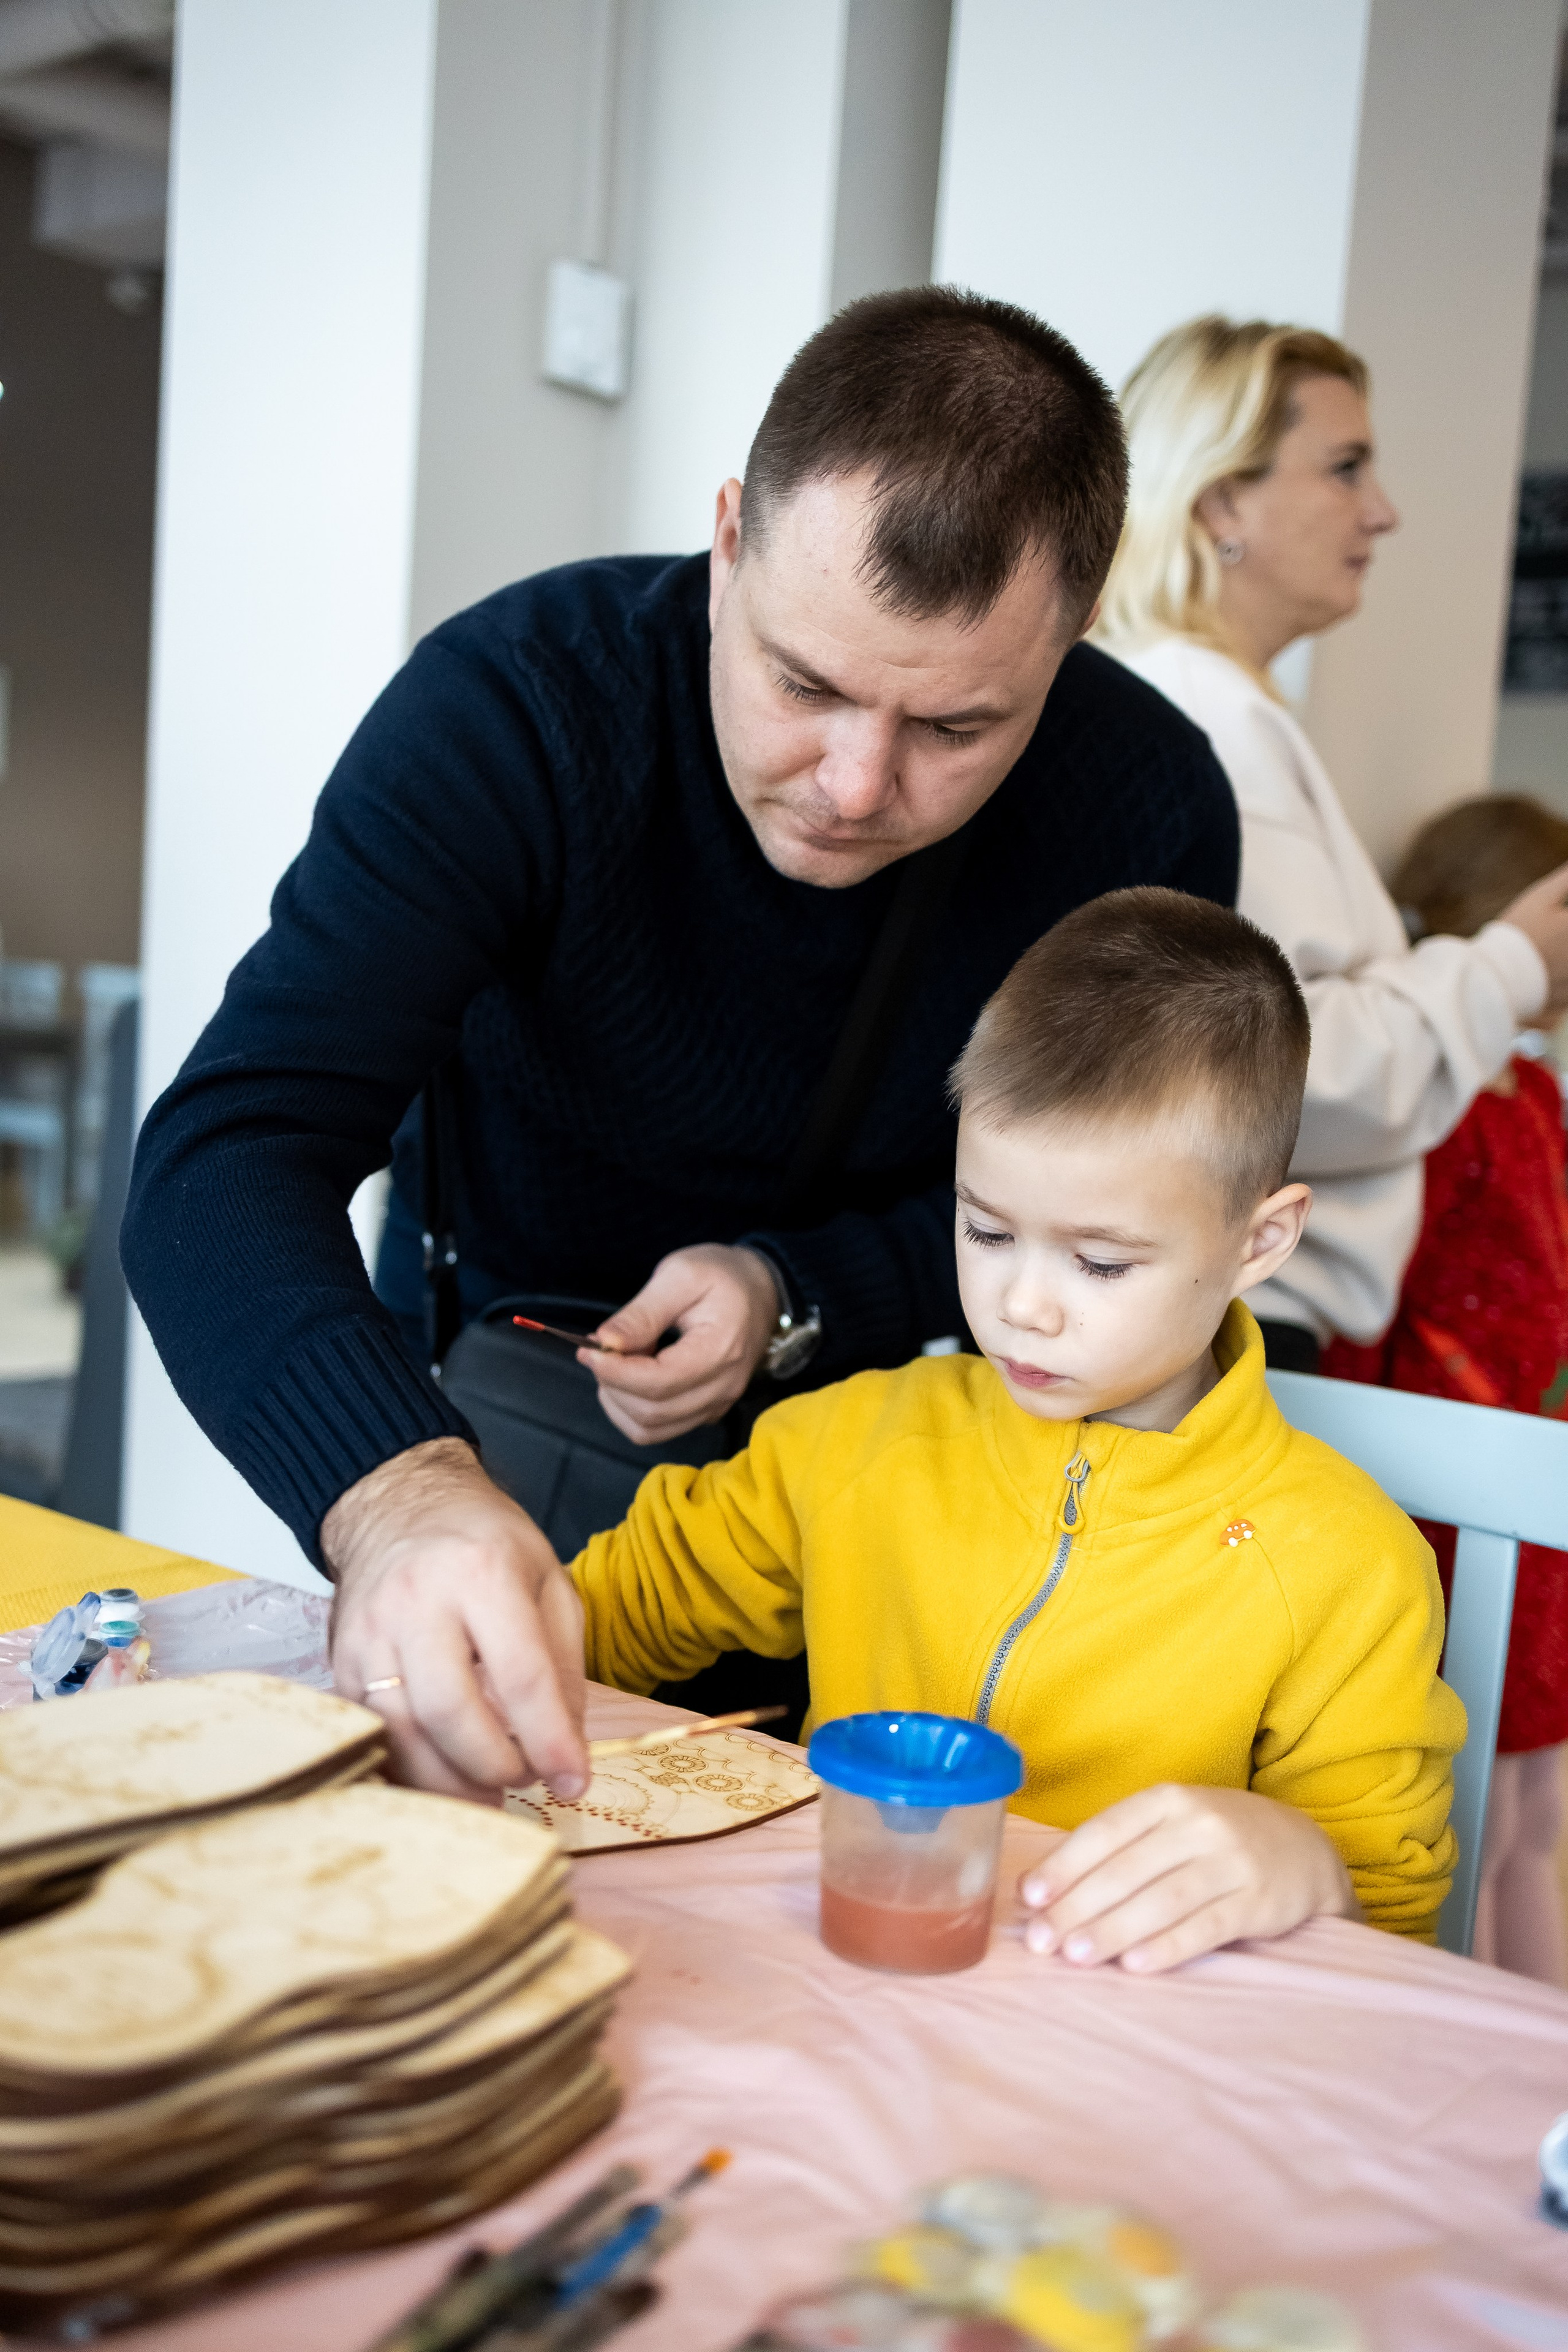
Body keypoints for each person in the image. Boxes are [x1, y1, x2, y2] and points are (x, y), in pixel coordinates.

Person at [121, 289, 1240, 1803]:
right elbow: (227, 1155)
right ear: (726, 540)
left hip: (886, 1510)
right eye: (804, 683)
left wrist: (793, 1289)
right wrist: (394, 1492)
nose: (853, 787)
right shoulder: (515, 709)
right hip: (491, 1442)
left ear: (1072, 636)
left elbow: (1111, 1215)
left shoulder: (1146, 807)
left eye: (954, 729)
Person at [571, 891, 1463, 1968]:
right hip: (854, 1983)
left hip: (1129, 2047)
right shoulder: (856, 1441)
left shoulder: (1348, 1567)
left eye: (1099, 1262)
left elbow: (1393, 1931)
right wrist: (496, 1618)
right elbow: (609, 1615)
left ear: (1260, 1241)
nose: (1021, 1306)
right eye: (986, 1229)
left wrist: (1301, 1864)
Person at [1093, 315, 1568, 1370]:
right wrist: (1509, 966)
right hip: (1236, 1326)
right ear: (1220, 498)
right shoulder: (1210, 723)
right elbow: (1273, 1072)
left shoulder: (1183, 708)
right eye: (1345, 469)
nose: (1384, 513)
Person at [1325, 794, 1568, 1987]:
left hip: (1526, 1490)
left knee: (1532, 1813)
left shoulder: (1532, 1097)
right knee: (1468, 1811)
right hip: (1443, 1501)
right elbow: (1376, 1309)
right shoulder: (1446, 1111)